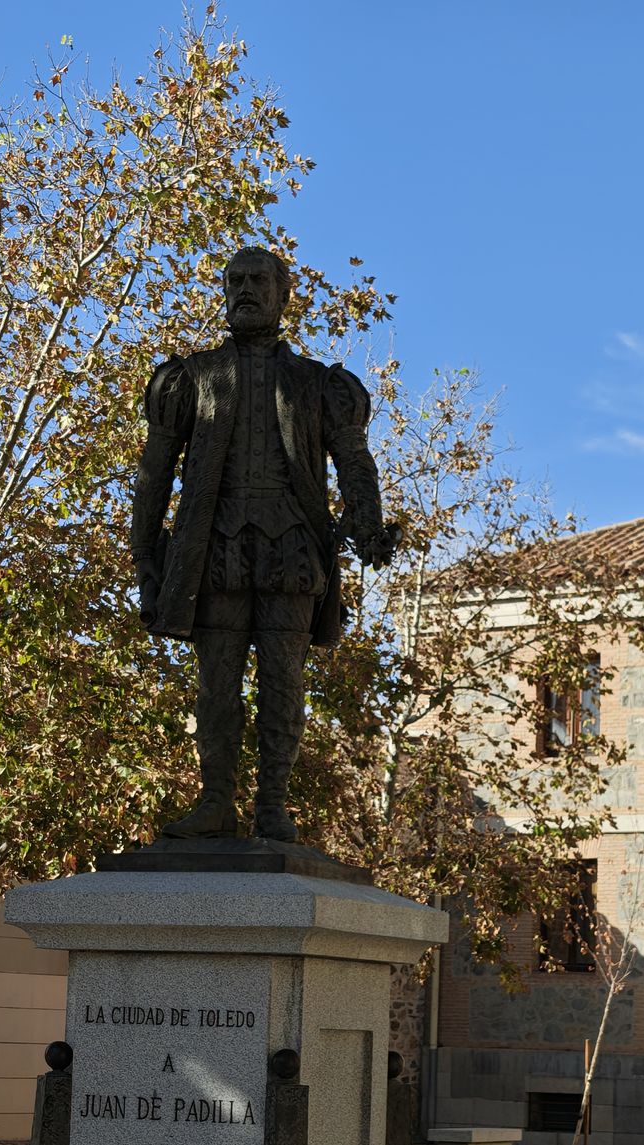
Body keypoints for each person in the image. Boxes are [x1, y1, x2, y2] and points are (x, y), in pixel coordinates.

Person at [131, 245, 395, 842]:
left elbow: (355, 462)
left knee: (284, 684)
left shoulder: (319, 384)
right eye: (235, 281)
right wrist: (145, 556)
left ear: (282, 294)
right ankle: (215, 802)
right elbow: (154, 472)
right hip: (214, 552)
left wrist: (368, 524)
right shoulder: (189, 379)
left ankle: (272, 806)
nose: (245, 290)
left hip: (292, 554)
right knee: (215, 686)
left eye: (257, 280)